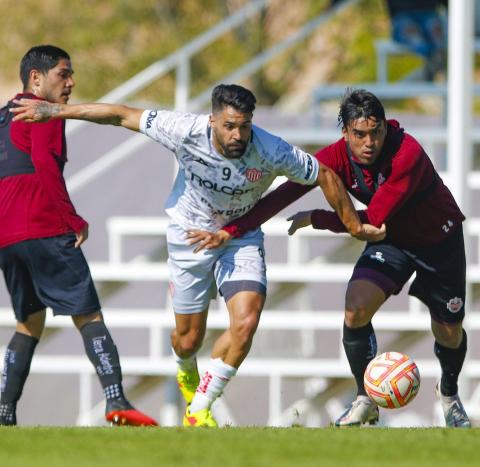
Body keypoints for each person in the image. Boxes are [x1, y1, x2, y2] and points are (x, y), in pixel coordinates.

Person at [11, 84, 385, 427]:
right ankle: (186, 368)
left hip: (239, 238)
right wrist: (56, 112)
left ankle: (201, 406)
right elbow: (120, 114)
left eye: (245, 126)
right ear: (213, 120)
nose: (238, 135)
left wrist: (352, 224)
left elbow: (323, 173)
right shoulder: (183, 129)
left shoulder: (270, 149)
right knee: (188, 340)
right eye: (229, 126)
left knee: (247, 320)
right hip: (189, 237)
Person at [195, 89, 470, 428]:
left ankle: (449, 395)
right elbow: (286, 191)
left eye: (376, 132)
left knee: (449, 332)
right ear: (346, 133)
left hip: (438, 240)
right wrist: (232, 230)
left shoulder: (407, 152)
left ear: (385, 128)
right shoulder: (336, 156)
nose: (369, 142)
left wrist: (317, 218)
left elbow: (371, 220)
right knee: (355, 306)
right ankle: (365, 398)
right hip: (391, 241)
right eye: (360, 134)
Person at [0, 45, 157, 427]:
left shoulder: (3, 117)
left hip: (7, 237)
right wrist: (71, 217)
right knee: (88, 314)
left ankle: (4, 411)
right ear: (36, 79)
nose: (70, 83)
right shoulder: (43, 110)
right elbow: (42, 163)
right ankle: (116, 400)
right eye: (63, 74)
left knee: (29, 322)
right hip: (43, 226)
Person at [385, 0, 448, 81]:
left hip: (429, 13)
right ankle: (434, 64)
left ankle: (433, 65)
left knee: (436, 32)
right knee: (414, 36)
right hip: (402, 15)